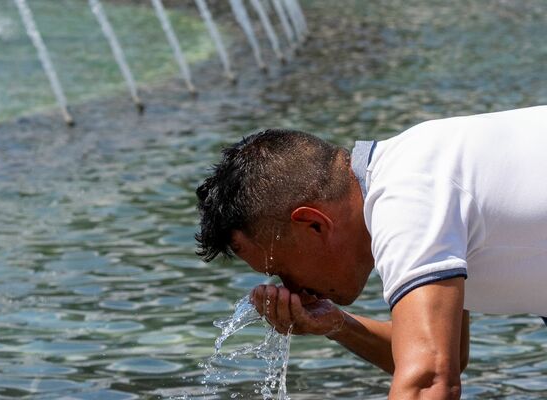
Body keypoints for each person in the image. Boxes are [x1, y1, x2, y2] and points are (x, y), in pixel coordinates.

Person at [194, 105, 547, 399]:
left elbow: (428, 380)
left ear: (314, 224)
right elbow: (447, 354)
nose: (292, 289)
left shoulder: (407, 196)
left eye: (281, 268)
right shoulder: (413, 175)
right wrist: (335, 325)